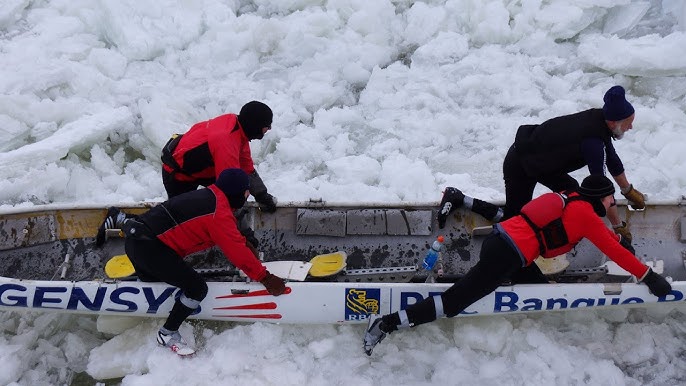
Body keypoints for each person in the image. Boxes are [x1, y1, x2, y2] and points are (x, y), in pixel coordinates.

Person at [363, 175, 671, 356]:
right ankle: (386, 323)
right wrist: (649, 276)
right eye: (610, 200)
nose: (612, 205)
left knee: (540, 283)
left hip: (507, 245)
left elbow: (609, 242)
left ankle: (530, 292)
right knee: (453, 303)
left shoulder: (568, 197)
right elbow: (611, 249)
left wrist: (620, 243)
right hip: (507, 255)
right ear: (599, 198)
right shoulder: (586, 215)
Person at [96, 168, 286, 355]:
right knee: (197, 288)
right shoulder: (219, 215)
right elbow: (237, 253)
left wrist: (243, 240)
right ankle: (167, 333)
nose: (247, 197)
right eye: (246, 193)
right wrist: (265, 277)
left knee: (154, 281)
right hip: (150, 250)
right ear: (239, 193)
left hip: (136, 239)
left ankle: (120, 219)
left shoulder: (210, 194)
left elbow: (230, 235)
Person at [439, 86, 645, 245]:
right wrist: (618, 227)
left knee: (573, 194)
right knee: (513, 221)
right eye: (628, 123)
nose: (631, 127)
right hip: (520, 162)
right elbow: (602, 190)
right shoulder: (593, 141)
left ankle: (554, 232)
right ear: (613, 122)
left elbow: (614, 163)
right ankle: (459, 197)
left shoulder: (600, 122)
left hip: (544, 164)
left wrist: (628, 191)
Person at [161, 101, 278, 214]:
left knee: (236, 190)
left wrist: (261, 195)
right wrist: (238, 215)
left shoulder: (239, 129)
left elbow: (246, 168)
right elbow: (230, 188)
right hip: (178, 175)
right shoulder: (226, 142)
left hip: (205, 166)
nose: (269, 128)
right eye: (267, 125)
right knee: (183, 216)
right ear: (255, 126)